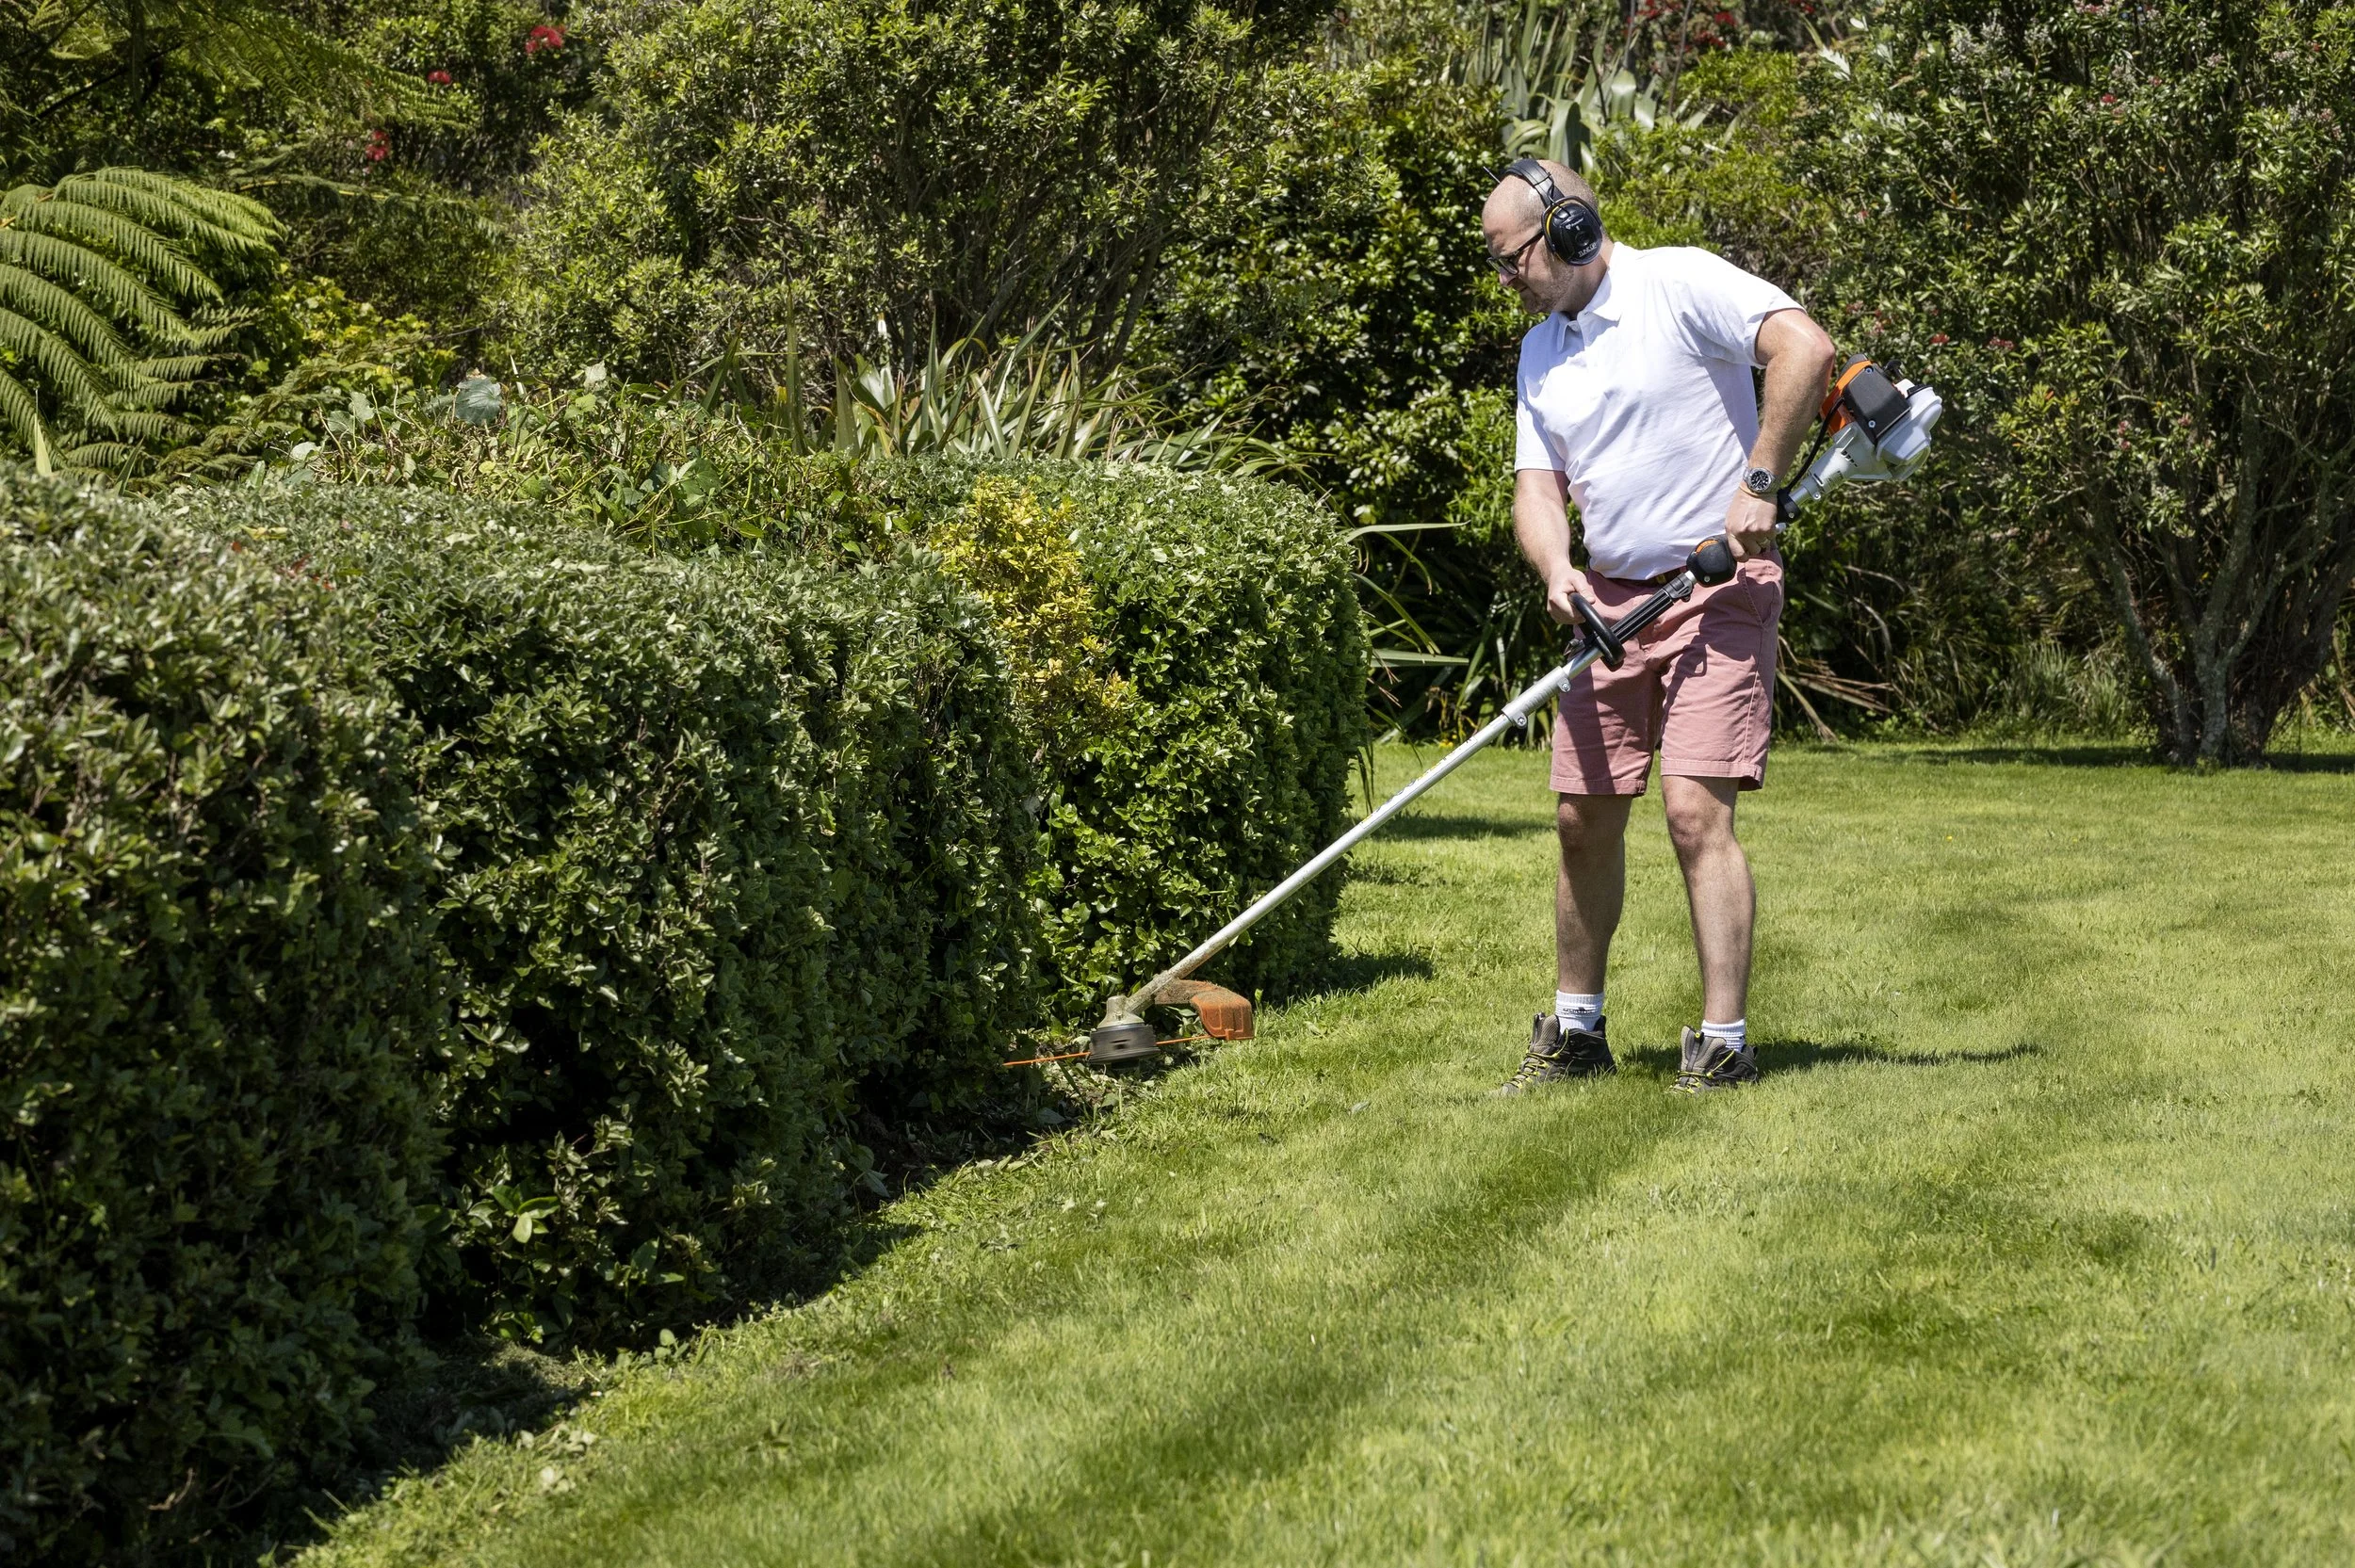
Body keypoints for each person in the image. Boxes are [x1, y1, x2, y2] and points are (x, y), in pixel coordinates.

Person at [1479, 158, 1837, 1097]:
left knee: (1692, 811)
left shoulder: (1677, 283)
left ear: (1569, 232)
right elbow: (1536, 488)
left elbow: (1804, 346)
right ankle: (1576, 1031)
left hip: (1717, 590)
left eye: (1511, 259)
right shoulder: (1540, 352)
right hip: (1608, 603)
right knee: (1579, 815)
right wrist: (1558, 573)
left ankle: (1724, 1044)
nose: (1505, 280)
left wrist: (1758, 478)